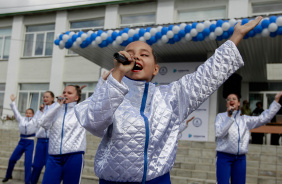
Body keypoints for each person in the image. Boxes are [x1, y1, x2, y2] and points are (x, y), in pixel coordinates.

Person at [74, 17, 263, 184]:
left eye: (144, 54)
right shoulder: (109, 91)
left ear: (156, 69)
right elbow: (94, 123)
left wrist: (235, 37)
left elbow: (206, 76)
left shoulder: (172, 96)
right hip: (112, 181)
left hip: (159, 180)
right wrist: (117, 77)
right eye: (130, 53)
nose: (136, 57)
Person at [215, 92, 282, 184]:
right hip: (224, 157)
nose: (231, 100)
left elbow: (264, 118)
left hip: (240, 159)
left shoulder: (245, 120)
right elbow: (219, 134)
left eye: (234, 99)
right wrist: (229, 117)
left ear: (238, 103)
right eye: (229, 99)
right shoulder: (221, 117)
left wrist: (276, 101)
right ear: (227, 103)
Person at [38, 85, 86, 184]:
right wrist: (57, 105)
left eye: (69, 93)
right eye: (64, 92)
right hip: (54, 157)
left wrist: (101, 82)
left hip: (74, 156)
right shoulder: (56, 109)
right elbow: (43, 123)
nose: (65, 94)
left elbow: (97, 101)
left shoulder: (81, 110)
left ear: (76, 98)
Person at [2, 94, 38, 184]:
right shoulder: (21, 119)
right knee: (12, 159)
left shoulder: (35, 120)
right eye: (27, 113)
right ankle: (8, 175)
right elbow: (15, 111)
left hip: (30, 142)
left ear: (33, 114)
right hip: (22, 141)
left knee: (28, 163)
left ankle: (27, 182)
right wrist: (13, 101)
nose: (28, 114)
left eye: (30, 113)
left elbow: (42, 115)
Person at [30, 91, 56, 184]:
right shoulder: (40, 110)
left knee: (49, 165)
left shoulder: (56, 108)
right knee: (37, 165)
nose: (45, 98)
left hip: (51, 141)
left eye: (47, 97)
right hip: (40, 141)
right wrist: (40, 111)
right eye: (44, 97)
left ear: (52, 98)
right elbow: (35, 123)